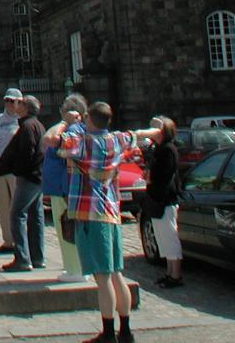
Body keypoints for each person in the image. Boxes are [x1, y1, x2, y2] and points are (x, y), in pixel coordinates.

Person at [48, 101, 162, 343]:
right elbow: (140, 134)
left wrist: (64, 122)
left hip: (90, 215)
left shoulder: (83, 143)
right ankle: (126, 330)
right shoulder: (116, 140)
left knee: (102, 277)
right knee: (116, 274)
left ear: (89, 119)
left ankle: (109, 332)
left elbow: (50, 140)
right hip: (112, 214)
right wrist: (157, 129)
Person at [42, 94, 88, 283]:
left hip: (64, 187)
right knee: (67, 228)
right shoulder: (78, 130)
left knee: (66, 229)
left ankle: (75, 269)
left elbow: (49, 139)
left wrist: (63, 122)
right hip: (62, 186)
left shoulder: (72, 131)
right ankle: (74, 267)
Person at [0, 94, 46, 272]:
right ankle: (37, 257)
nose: (15, 104)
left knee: (17, 214)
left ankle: (23, 259)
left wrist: (18, 170)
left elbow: (27, 152)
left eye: (19, 102)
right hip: (37, 176)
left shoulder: (27, 126)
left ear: (25, 107)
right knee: (36, 217)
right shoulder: (37, 124)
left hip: (29, 176)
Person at [144, 116, 183, 289]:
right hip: (157, 197)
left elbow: (165, 175)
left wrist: (151, 179)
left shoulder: (168, 149)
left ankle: (176, 274)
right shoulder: (158, 148)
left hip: (166, 198)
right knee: (162, 238)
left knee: (170, 237)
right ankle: (169, 272)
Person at [0, 88, 22, 254]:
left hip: (16, 165)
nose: (9, 104)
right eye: (7, 100)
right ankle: (8, 240)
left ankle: (21, 240)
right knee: (2, 204)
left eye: (12, 101)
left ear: (19, 102)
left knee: (17, 203)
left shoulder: (22, 119)